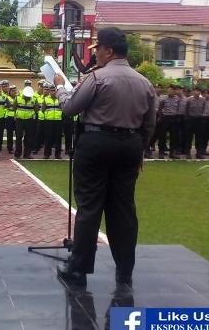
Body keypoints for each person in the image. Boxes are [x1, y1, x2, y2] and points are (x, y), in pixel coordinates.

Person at [54, 27, 156, 287]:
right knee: (123, 210)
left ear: (108, 51)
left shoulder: (97, 78)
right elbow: (150, 123)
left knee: (89, 208)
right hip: (130, 145)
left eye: (97, 48)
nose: (96, 53)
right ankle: (124, 272)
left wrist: (60, 89)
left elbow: (69, 109)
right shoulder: (144, 82)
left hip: (96, 143)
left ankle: (79, 271)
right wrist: (139, 150)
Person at [13, 86, 37, 159]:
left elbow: (36, 109)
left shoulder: (34, 99)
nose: (28, 97)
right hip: (19, 120)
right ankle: (17, 154)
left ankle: (27, 154)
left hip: (29, 120)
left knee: (29, 138)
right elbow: (14, 108)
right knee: (18, 137)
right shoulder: (18, 98)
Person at [157, 85, 180, 159]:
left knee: (173, 137)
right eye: (168, 90)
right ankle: (161, 153)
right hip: (165, 118)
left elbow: (178, 108)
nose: (169, 91)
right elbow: (160, 109)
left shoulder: (177, 99)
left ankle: (172, 153)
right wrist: (160, 117)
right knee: (162, 136)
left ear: (174, 91)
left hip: (173, 118)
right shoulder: (163, 99)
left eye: (171, 90)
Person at [42, 84, 63, 159]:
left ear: (56, 91)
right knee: (48, 138)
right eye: (51, 91)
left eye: (54, 90)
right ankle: (47, 154)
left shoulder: (60, 99)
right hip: (49, 121)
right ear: (49, 91)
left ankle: (58, 154)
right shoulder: (46, 99)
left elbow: (63, 109)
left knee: (58, 138)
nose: (53, 92)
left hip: (58, 121)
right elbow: (43, 110)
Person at [4, 85, 17, 155]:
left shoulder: (18, 98)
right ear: (9, 92)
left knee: (18, 134)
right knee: (10, 134)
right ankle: (10, 148)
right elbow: (6, 106)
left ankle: (17, 147)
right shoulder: (6, 98)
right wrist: (12, 107)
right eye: (12, 90)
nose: (14, 92)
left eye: (15, 90)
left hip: (17, 117)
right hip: (9, 117)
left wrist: (12, 107)